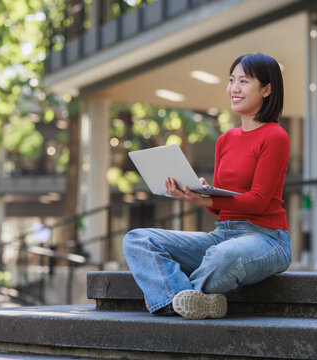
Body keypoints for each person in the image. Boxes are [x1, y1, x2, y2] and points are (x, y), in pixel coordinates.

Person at [123, 53, 292, 320]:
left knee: (223, 256)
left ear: (267, 89)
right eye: (232, 80)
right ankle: (186, 301)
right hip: (222, 234)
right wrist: (196, 195)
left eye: (244, 81)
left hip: (266, 238)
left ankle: (173, 295)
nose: (234, 88)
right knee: (138, 239)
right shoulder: (225, 140)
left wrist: (209, 201)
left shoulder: (275, 136)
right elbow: (222, 210)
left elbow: (258, 201)